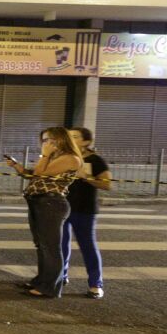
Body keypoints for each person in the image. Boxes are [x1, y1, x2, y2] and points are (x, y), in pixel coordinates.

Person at [6, 126, 83, 298]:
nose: (46, 143)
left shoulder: (70, 158)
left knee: (50, 248)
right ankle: (41, 281)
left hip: (51, 203)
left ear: (62, 140)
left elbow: (40, 173)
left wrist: (45, 155)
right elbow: (34, 175)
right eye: (44, 140)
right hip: (39, 202)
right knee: (41, 245)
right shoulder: (54, 157)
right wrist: (16, 165)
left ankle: (50, 288)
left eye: (50, 140)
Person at [62, 127, 111, 299]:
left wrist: (86, 177)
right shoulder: (66, 158)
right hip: (63, 207)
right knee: (61, 244)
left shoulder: (96, 160)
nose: (71, 139)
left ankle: (95, 284)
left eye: (75, 137)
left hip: (85, 210)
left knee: (88, 246)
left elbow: (107, 184)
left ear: (86, 141)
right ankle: (61, 276)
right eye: (69, 136)